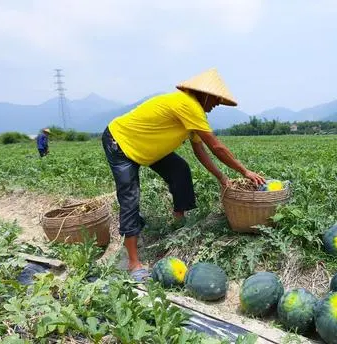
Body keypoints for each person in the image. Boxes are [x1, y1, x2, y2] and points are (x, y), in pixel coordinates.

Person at [102, 68, 265, 281]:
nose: (215, 105)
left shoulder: (192, 110)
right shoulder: (188, 105)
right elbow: (216, 147)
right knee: (130, 198)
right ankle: (133, 262)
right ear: (204, 94)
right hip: (121, 143)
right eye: (215, 99)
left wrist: (222, 178)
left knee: (179, 170)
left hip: (148, 147)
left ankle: (178, 221)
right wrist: (244, 171)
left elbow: (200, 151)